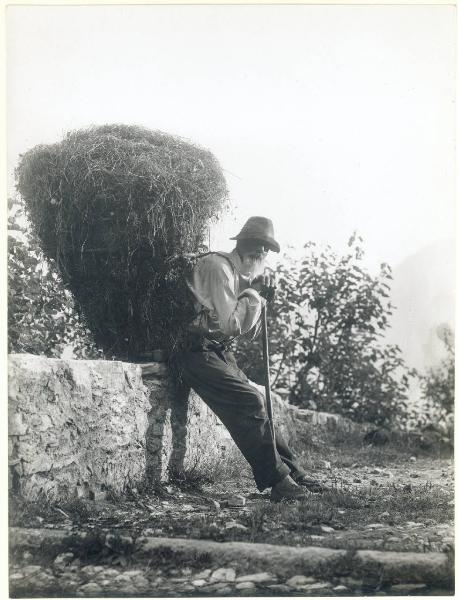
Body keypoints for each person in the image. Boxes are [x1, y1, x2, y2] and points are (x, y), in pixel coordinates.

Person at [178, 216, 324, 502]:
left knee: (262, 404)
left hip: (217, 350)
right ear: (249, 248)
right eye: (262, 248)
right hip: (193, 350)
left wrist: (260, 297)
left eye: (268, 250)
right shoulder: (219, 268)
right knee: (249, 400)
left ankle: (295, 474)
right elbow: (232, 324)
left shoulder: (236, 274)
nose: (264, 255)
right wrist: (254, 295)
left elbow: (245, 330)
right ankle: (279, 482)